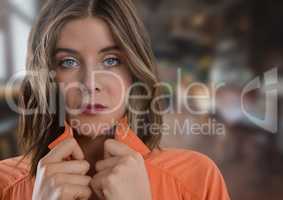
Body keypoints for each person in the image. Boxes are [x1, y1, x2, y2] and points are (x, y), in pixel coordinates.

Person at [0, 0, 230, 199]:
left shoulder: (197, 177)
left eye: (111, 60)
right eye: (68, 62)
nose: (90, 84)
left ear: (134, 71)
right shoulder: (4, 183)